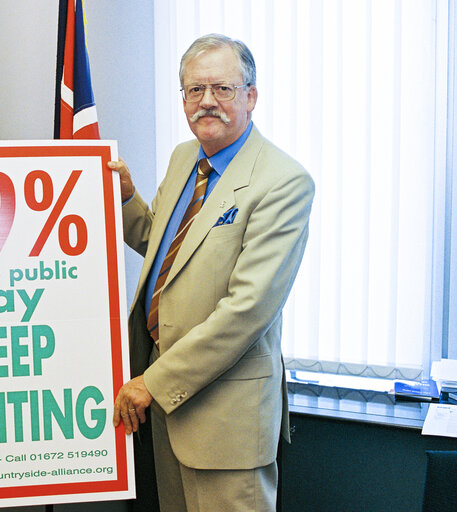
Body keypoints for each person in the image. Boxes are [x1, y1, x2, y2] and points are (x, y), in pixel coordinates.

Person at [108, 34, 314, 512]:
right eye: (194, 90)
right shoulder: (186, 158)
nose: (207, 102)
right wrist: (123, 198)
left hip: (225, 423)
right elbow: (161, 247)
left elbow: (245, 312)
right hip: (167, 412)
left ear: (251, 96)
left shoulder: (283, 182)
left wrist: (151, 383)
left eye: (222, 89)